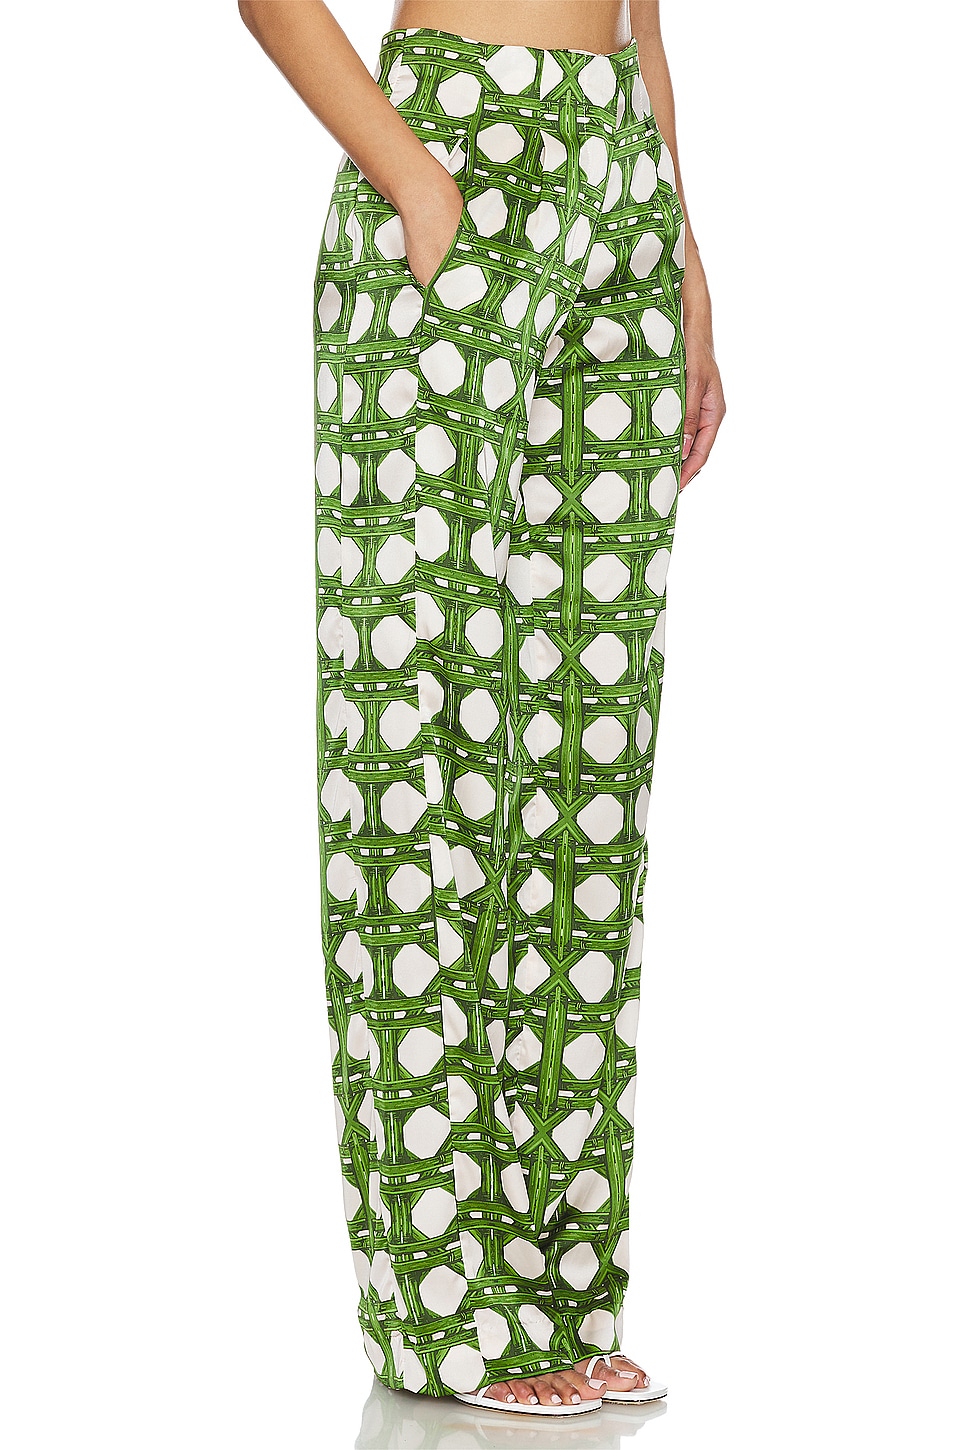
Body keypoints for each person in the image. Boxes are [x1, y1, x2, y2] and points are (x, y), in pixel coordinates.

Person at [238, 0, 725, 1419]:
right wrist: (414, 177)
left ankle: (557, 1285)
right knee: (413, 737)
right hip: (457, 151)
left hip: (620, 182)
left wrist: (682, 251)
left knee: (585, 759)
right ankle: (440, 1308)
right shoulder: (433, 175)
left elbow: (641, 18)